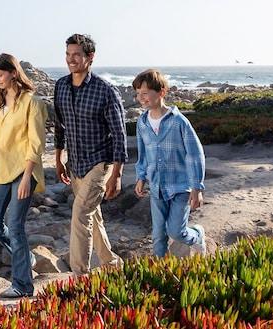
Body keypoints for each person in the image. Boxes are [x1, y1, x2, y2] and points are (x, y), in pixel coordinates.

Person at [53, 34, 126, 275]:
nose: (70, 59)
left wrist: (116, 174)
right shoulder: (61, 86)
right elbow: (60, 126)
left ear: (90, 57)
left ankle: (79, 276)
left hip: (98, 163)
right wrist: (58, 159)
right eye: (68, 54)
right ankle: (112, 264)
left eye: (76, 55)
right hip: (75, 164)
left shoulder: (105, 91)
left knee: (80, 215)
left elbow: (119, 135)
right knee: (93, 218)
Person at [0, 53, 48, 298]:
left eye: (0, 75)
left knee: (15, 224)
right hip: (2, 169)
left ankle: (23, 286)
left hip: (24, 171)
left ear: (13, 72)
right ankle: (27, 257)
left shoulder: (32, 102)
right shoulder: (1, 103)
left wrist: (26, 177)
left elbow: (36, 141)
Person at [132, 69, 207, 257]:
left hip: (180, 187)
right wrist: (141, 177)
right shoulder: (142, 123)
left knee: (176, 231)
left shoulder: (179, 122)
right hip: (157, 187)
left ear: (161, 92)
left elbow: (194, 154)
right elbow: (143, 155)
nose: (141, 98)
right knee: (158, 235)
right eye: (138, 94)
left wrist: (197, 188)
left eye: (145, 93)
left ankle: (197, 235)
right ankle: (161, 271)